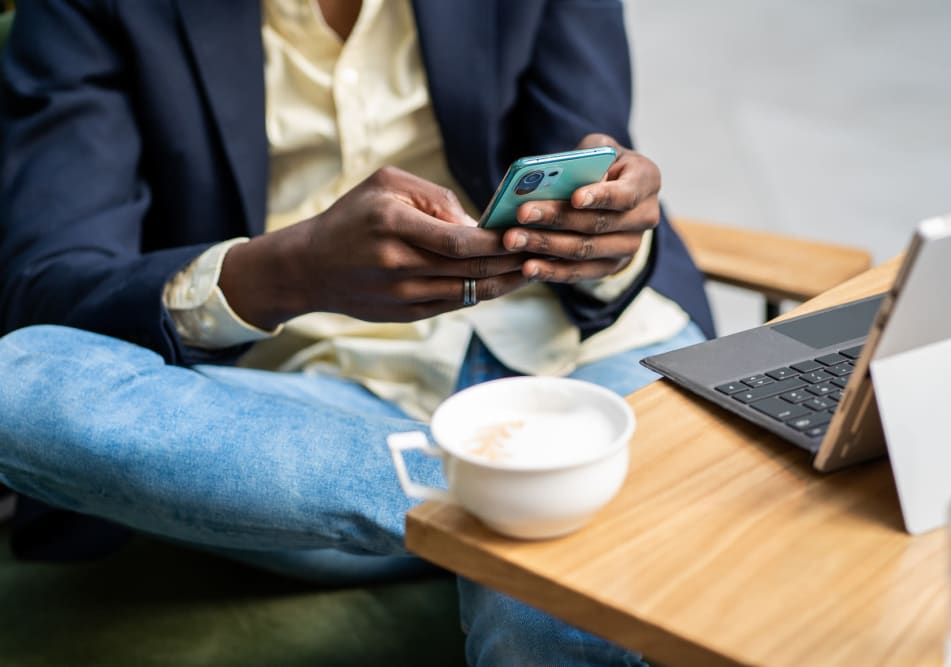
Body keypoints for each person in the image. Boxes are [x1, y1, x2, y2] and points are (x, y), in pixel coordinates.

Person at [0, 1, 714, 664]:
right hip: (328, 417)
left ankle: (500, 497)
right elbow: (50, 282)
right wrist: (288, 271)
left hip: (584, 353)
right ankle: (499, 485)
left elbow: (592, 162)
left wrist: (608, 236)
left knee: (549, 599)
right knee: (17, 379)